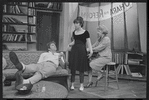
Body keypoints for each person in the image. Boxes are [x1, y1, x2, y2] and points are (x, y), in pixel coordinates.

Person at [68, 16, 93, 91]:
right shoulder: (74, 32)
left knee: (81, 68)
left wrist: (91, 51)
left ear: (81, 24)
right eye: (75, 23)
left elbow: (88, 43)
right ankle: (72, 84)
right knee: (73, 67)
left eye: (77, 23)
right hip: (74, 51)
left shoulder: (86, 32)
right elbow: (75, 42)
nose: (75, 25)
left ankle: (81, 85)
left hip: (82, 51)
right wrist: (69, 44)